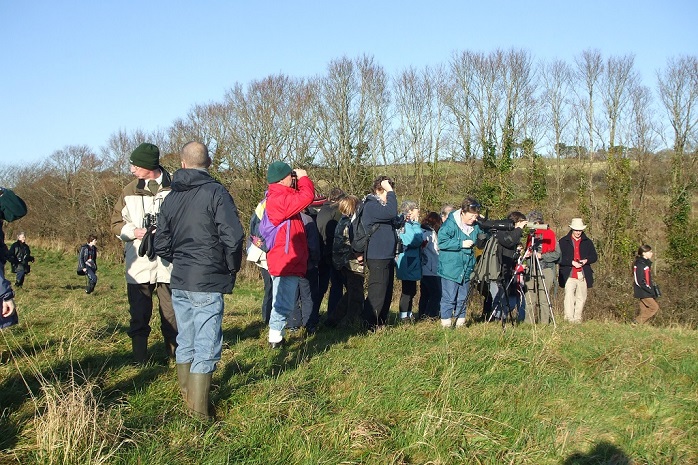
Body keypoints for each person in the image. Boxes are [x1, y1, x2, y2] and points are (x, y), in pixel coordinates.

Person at [154, 141, 244, 420]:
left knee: (187, 340)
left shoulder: (170, 198)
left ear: (182, 164)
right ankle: (198, 415)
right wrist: (230, 267)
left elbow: (161, 243)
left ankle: (189, 400)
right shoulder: (215, 192)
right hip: (206, 278)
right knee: (205, 344)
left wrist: (178, 259)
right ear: (209, 163)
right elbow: (233, 235)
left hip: (180, 278)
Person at [110, 142, 178, 363]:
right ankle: (140, 361)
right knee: (139, 315)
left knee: (172, 314)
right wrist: (134, 231)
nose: (132, 169)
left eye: (135, 165)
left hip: (169, 264)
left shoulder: (176, 188)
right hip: (139, 263)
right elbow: (115, 224)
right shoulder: (128, 191)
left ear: (149, 166)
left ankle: (175, 357)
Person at [264, 161, 315, 348]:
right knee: (284, 301)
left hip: (284, 257)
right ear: (284, 178)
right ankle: (275, 338)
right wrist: (303, 178)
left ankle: (277, 335)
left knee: (282, 298)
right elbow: (307, 196)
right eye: (290, 177)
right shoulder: (279, 199)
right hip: (286, 258)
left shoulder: (278, 196)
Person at [437, 198, 484, 328]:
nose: (473, 218)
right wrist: (460, 244)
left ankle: (460, 323)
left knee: (463, 298)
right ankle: (446, 324)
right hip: (450, 267)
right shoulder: (450, 224)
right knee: (449, 297)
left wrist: (485, 224)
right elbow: (441, 242)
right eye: (471, 215)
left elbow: (485, 237)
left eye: (476, 216)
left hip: (467, 267)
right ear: (463, 212)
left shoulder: (476, 226)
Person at [360, 176, 398, 330]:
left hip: (386, 255)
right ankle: (369, 324)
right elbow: (390, 212)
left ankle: (380, 322)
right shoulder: (370, 204)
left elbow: (392, 216)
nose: (389, 195)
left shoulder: (379, 206)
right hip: (377, 256)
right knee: (378, 292)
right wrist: (390, 191)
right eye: (386, 192)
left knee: (387, 291)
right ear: (379, 190)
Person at [328, 195, 364, 327]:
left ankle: (334, 319)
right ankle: (350, 322)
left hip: (341, 262)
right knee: (356, 294)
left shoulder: (341, 221)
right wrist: (361, 257)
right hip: (351, 263)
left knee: (350, 293)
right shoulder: (351, 224)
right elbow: (355, 243)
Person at [488, 212, 528, 321]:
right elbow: (509, 242)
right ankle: (496, 318)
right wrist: (519, 229)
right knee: (498, 296)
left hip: (507, 269)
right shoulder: (502, 232)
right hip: (497, 270)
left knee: (504, 297)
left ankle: (503, 318)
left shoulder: (512, 233)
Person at [288, 209, 322, 333]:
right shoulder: (307, 220)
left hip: (289, 264)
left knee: (292, 295)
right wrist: (315, 260)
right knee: (308, 295)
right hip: (306, 264)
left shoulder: (284, 220)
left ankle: (293, 323)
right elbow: (313, 245)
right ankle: (310, 323)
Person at [523, 211, 560, 324]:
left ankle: (544, 322)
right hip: (531, 269)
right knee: (530, 298)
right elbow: (527, 250)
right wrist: (527, 254)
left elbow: (557, 254)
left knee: (544, 298)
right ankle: (528, 323)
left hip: (545, 269)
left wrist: (542, 256)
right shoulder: (531, 236)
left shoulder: (550, 235)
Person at [558, 218, 598, 323]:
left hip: (583, 274)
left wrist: (586, 260)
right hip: (569, 274)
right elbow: (559, 258)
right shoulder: (563, 241)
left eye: (580, 230)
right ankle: (568, 318)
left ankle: (577, 318)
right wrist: (571, 262)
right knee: (569, 297)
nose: (578, 232)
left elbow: (594, 256)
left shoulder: (588, 242)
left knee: (582, 297)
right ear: (572, 229)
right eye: (576, 230)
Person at [315, 188, 345, 323]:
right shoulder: (336, 212)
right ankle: (333, 315)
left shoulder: (322, 210)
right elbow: (338, 235)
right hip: (331, 252)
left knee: (320, 286)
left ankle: (313, 315)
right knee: (336, 285)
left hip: (319, 251)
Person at [247, 197, 273, 325]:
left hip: (263, 251)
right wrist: (267, 248)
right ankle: (267, 317)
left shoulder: (262, 204)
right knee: (271, 287)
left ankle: (267, 317)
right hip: (266, 252)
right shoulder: (268, 205)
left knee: (270, 287)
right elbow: (257, 231)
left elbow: (253, 230)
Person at [395, 200, 423, 322]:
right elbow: (415, 239)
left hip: (410, 260)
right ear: (410, 211)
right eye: (416, 208)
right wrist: (416, 224)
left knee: (411, 289)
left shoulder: (407, 224)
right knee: (407, 290)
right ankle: (404, 316)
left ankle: (408, 313)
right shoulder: (406, 225)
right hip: (408, 260)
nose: (419, 211)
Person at [418, 212, 442, 320]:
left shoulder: (422, 231)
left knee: (425, 294)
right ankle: (430, 316)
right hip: (431, 268)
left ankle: (422, 315)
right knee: (436, 294)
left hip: (425, 268)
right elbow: (427, 247)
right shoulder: (428, 233)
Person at [633, 245, 659, 325]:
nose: (652, 253)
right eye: (650, 251)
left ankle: (640, 327)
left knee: (644, 310)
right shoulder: (640, 264)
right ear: (644, 253)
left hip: (646, 290)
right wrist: (648, 289)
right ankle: (636, 322)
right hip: (643, 291)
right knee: (654, 308)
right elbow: (639, 280)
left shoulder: (645, 263)